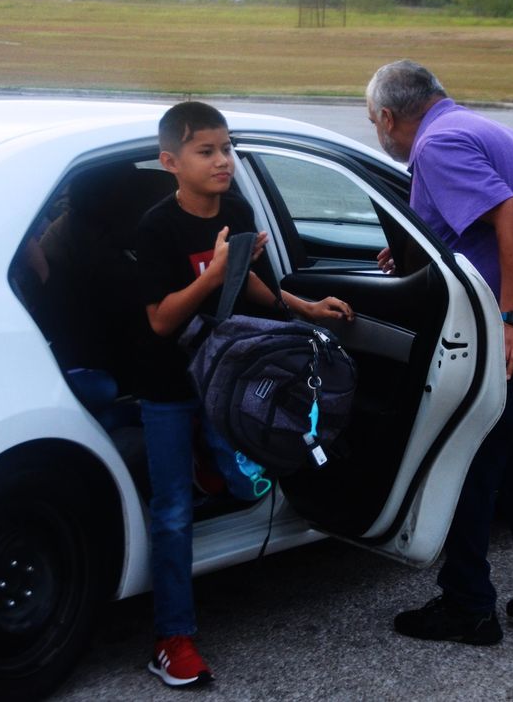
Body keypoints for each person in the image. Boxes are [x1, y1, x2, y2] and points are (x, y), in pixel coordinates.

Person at [366, 60, 513, 646]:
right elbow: (479, 228)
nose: (377, 132)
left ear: (387, 116)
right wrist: (419, 248)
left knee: (469, 456)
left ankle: (468, 604)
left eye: (372, 122)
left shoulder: (436, 146)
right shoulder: (482, 128)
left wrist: (511, 320)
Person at [137, 100, 353, 687]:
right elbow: (160, 320)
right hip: (167, 383)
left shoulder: (234, 208)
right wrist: (211, 273)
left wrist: (303, 307)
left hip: (225, 376)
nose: (222, 161)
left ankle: (214, 466)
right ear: (170, 162)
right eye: (206, 151)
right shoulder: (156, 227)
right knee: (172, 511)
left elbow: (247, 281)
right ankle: (173, 638)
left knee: (246, 478)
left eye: (226, 149)